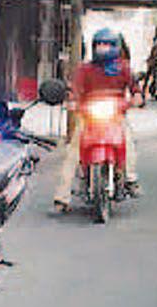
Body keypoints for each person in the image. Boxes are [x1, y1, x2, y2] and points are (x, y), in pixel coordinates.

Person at [53, 27, 142, 211]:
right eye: (99, 44)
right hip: (89, 118)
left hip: (116, 116)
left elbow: (135, 90)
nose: (102, 48)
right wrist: (72, 102)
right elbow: (75, 90)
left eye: (107, 44)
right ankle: (62, 197)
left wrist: (136, 99)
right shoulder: (85, 69)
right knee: (73, 153)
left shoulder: (123, 68)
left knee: (129, 145)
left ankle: (130, 179)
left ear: (115, 47)